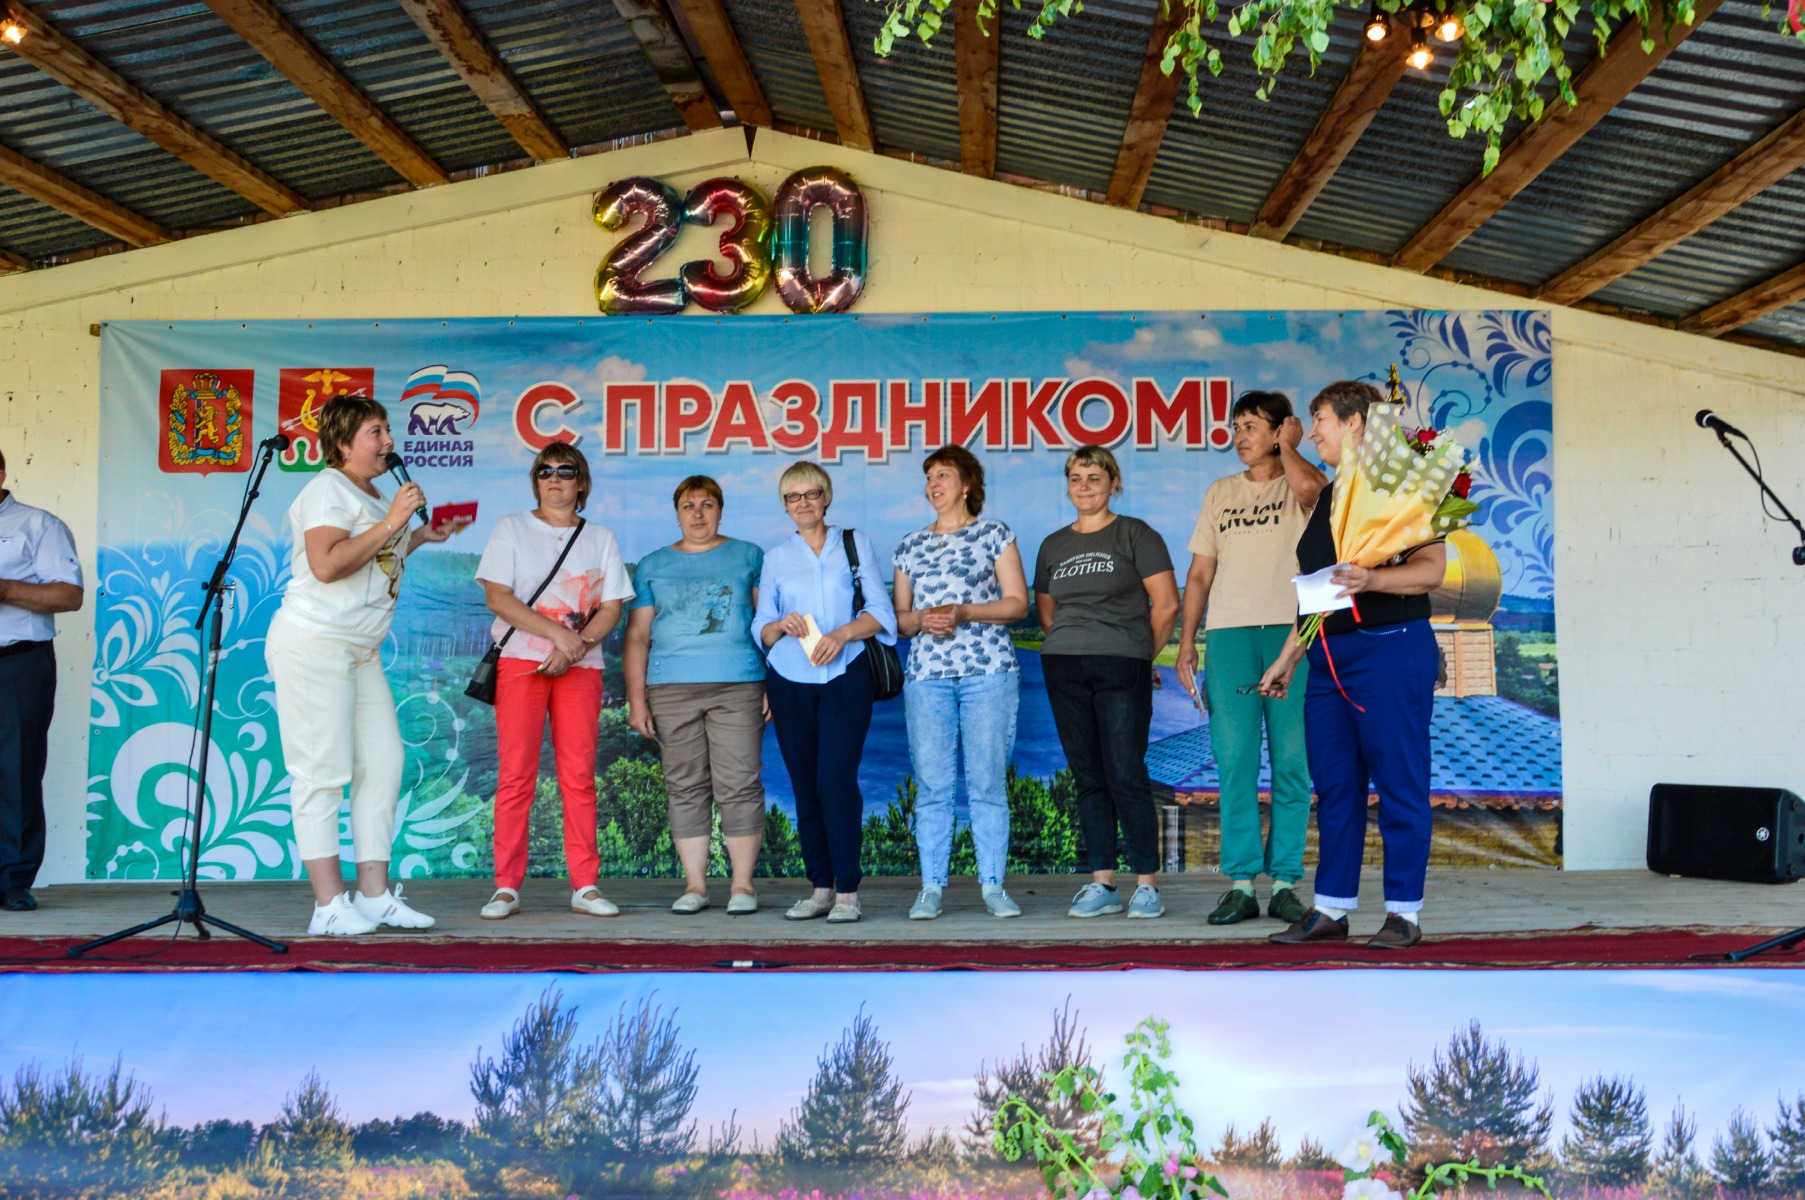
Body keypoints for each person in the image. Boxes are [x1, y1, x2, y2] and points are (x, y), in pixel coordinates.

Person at [1258, 380, 1448, 950]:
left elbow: (1431, 570)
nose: (1312, 431)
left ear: (1355, 423)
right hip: (1328, 661)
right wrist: (1288, 657)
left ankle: (1403, 914)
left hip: (1390, 648)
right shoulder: (1331, 497)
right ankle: (1331, 909)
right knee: (1336, 786)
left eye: (1319, 419)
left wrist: (1373, 580)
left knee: (1399, 784)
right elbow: (1321, 593)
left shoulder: (1403, 485)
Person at [266, 393, 456, 935]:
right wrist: (394, 520)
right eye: (376, 432)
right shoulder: (328, 487)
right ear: (343, 443)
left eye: (387, 429)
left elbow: (374, 560)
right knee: (321, 772)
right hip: (316, 641)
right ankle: (328, 907)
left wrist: (416, 536)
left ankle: (374, 897)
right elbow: (327, 565)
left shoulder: (372, 494)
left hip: (361, 648)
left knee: (384, 762)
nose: (389, 441)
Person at [1176, 392, 1326, 927]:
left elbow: (1313, 490)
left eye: (1252, 426)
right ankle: (1241, 884)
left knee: (1292, 762)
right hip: (1230, 636)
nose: (1240, 436)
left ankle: (1284, 882)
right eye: (1236, 426)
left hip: (1294, 635)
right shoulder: (1221, 492)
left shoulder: (1302, 482)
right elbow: (1200, 574)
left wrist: (1290, 448)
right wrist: (1187, 642)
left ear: (1281, 430)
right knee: (1234, 759)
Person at [475, 443, 633, 921]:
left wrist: (574, 647)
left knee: (579, 777)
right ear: (536, 480)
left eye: (566, 471)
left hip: (580, 667)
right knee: (515, 776)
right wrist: (559, 636)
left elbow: (612, 607)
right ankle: (506, 887)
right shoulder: (511, 528)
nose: (555, 478)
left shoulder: (600, 536)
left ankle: (585, 885)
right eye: (545, 471)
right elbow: (498, 598)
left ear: (581, 482)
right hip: (520, 663)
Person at [1034, 445, 1180, 920]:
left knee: (1125, 772)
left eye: (1094, 478)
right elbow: (1047, 612)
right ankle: (1103, 883)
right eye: (1076, 478)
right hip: (1063, 665)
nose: (1084, 487)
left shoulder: (1136, 534)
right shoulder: (1053, 545)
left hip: (1122, 663)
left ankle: (1146, 885)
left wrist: (1139, 653)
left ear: (1113, 483)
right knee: (1088, 776)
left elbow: (1167, 605)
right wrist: (1073, 642)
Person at [754, 461, 897, 924]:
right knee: (804, 786)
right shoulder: (776, 558)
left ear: (826, 497)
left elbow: (881, 612)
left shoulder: (854, 544)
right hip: (789, 680)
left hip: (847, 675)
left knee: (835, 782)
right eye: (793, 497)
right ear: (785, 505)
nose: (803, 503)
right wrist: (781, 624)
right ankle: (820, 888)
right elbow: (761, 628)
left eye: (811, 493)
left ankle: (848, 892)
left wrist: (843, 634)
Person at [892, 446, 1030, 920]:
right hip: (926, 676)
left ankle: (993, 886)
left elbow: (1018, 604)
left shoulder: (994, 534)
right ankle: (930, 887)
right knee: (932, 785)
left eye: (943, 475)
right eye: (929, 476)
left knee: (987, 783)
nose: (933, 484)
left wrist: (966, 611)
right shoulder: (909, 545)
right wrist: (920, 620)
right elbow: (899, 620)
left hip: (989, 672)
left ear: (967, 484)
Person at [624, 475, 767, 915]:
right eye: (689, 506)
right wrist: (637, 700)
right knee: (684, 785)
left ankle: (742, 887)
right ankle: (695, 887)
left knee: (739, 783)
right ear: (677, 513)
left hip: (739, 684)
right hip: (671, 688)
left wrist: (774, 685)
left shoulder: (749, 555)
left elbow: (767, 623)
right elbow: (638, 636)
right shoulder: (653, 564)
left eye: (707, 504)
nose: (698, 513)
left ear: (720, 511)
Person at [0, 449, 84, 913]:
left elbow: (69, 595)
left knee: (16, 771)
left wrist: (4, 588)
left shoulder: (38, 525)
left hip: (16, 663)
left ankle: (13, 881)